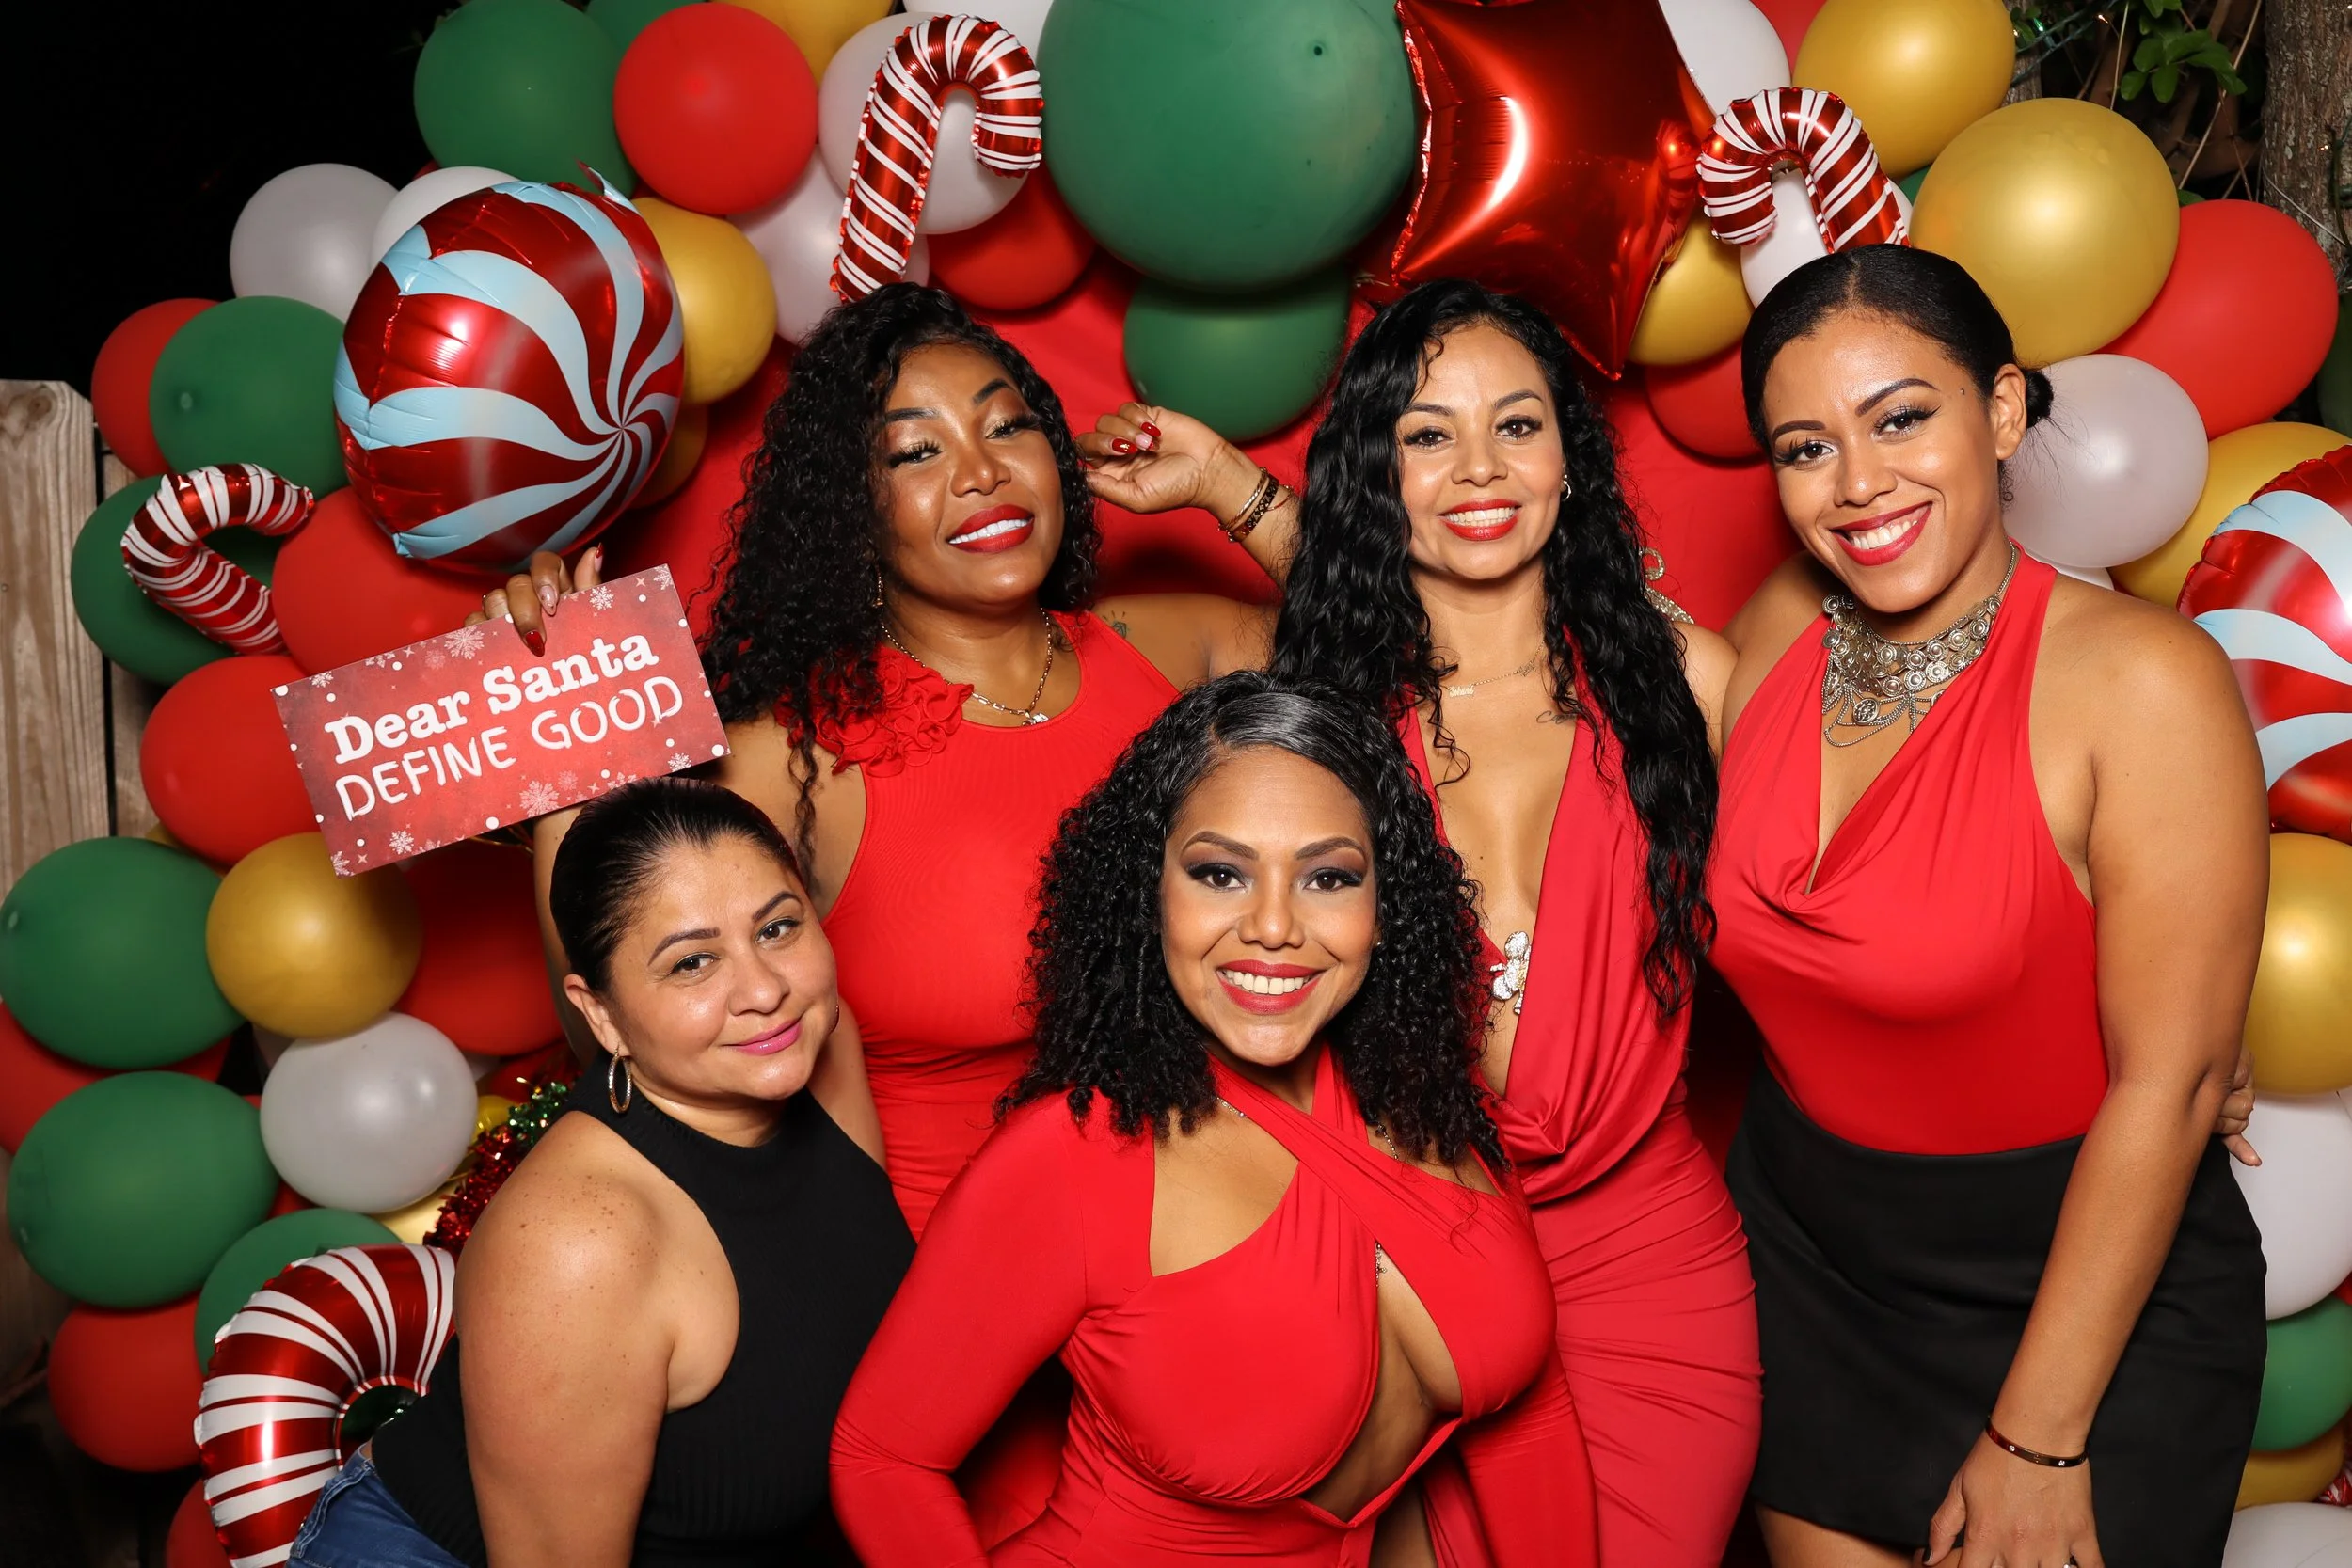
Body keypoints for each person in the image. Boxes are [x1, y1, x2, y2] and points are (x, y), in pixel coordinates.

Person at [1082, 278, 1757, 1567]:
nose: (1479, 468)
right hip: (1406, 1263)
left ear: (1572, 456)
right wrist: (1224, 483)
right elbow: (1345, 587)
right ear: (1377, 472)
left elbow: (1844, 900)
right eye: (1427, 434)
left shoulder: (1688, 682)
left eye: (1518, 425)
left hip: (1650, 1271)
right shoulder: (1326, 716)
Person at [491, 284, 1269, 1240]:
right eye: (916, 452)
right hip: (956, 1274)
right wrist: (564, 760)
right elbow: (619, 1027)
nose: (982, 472)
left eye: (1007, 426)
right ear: (854, 513)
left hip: (1223, 1218)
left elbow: (1416, 659)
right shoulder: (796, 756)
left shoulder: (1166, 648)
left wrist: (1228, 482)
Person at [1709, 245, 2267, 1568]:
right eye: (1806, 448)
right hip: (1813, 1261)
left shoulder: (2144, 682)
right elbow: (1524, 647)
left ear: (2004, 410)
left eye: (1901, 417)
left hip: (2087, 1287)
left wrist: (2037, 1438)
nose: (1857, 483)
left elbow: (2173, 1084)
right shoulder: (1783, 621)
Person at [830, 673, 1598, 1568]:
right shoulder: (1071, 1158)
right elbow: (882, 1459)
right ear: (1149, 890)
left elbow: (1527, 1421)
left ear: (1386, 905)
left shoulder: (1429, 1098)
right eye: (1220, 873)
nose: (1273, 926)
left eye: (1327, 877)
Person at [309, 778, 910, 1568]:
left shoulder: (811, 1045)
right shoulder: (580, 1242)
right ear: (600, 1014)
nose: (766, 990)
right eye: (693, 962)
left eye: (778, 926)